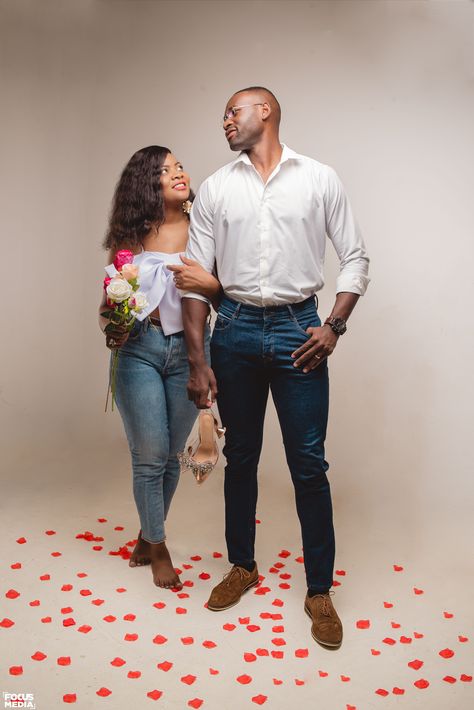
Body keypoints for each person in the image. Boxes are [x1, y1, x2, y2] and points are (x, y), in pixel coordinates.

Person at [181, 87, 370, 648]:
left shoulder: (319, 178)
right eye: (221, 116)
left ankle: (318, 591)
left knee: (308, 463)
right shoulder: (216, 188)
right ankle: (243, 565)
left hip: (298, 330)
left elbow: (355, 257)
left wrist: (332, 326)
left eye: (231, 112)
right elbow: (194, 277)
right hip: (234, 328)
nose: (224, 123)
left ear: (264, 112)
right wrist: (197, 360)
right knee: (241, 458)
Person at [99, 145, 221, 590]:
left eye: (180, 166)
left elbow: (223, 292)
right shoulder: (132, 236)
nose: (178, 173)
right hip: (139, 347)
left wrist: (208, 284)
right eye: (164, 170)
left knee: (170, 454)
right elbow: (108, 303)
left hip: (190, 351)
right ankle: (160, 544)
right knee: (149, 454)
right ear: (146, 184)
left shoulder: (204, 231)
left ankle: (147, 533)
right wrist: (111, 321)